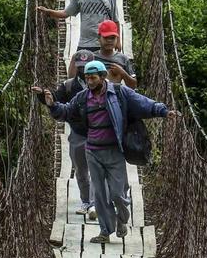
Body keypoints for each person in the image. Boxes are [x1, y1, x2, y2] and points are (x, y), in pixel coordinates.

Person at [32, 61, 171, 244]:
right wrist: (51, 105)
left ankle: (122, 220)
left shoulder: (119, 92)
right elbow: (65, 112)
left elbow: (142, 103)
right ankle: (105, 231)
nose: (89, 81)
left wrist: (163, 111)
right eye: (87, 78)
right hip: (93, 152)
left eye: (93, 78)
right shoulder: (82, 97)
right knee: (99, 196)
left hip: (114, 152)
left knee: (117, 195)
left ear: (103, 77)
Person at [49, 50, 98, 221]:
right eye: (80, 67)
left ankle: (93, 203)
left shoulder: (103, 85)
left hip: (99, 133)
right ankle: (86, 201)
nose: (83, 71)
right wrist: (44, 96)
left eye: (86, 67)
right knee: (81, 169)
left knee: (96, 169)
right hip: (77, 133)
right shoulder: (68, 86)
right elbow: (54, 102)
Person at [92, 20, 137, 88]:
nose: (109, 41)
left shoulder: (123, 59)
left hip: (116, 95)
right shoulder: (92, 58)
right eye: (106, 37)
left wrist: (122, 73)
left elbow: (133, 85)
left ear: (117, 39)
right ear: (99, 37)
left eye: (112, 38)